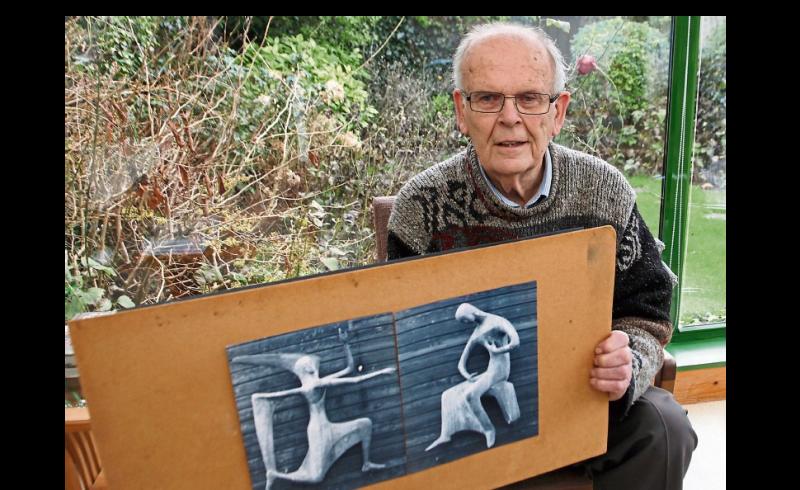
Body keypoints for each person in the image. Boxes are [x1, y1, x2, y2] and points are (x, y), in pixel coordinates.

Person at [386, 22, 697, 490]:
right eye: (488, 98)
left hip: (581, 398)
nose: (510, 117)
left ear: (558, 112)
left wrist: (628, 361)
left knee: (665, 426)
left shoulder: (603, 190)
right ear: (460, 110)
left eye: (530, 98)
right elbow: (403, 339)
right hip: (478, 402)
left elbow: (647, 308)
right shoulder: (422, 206)